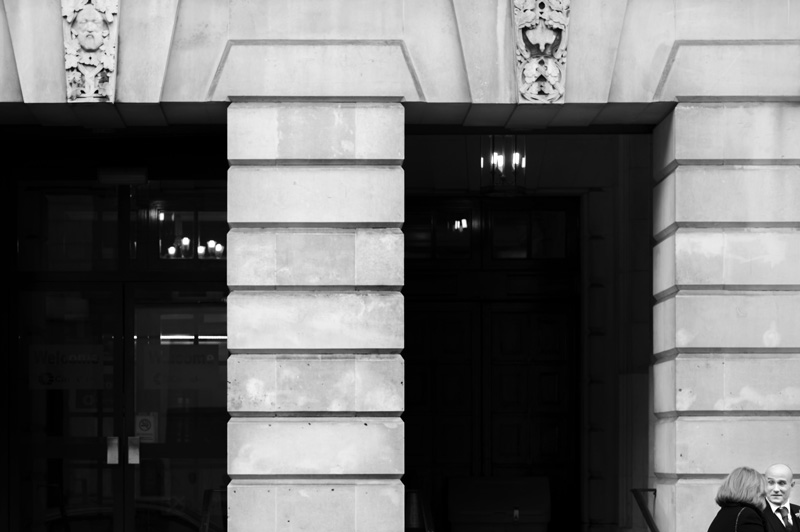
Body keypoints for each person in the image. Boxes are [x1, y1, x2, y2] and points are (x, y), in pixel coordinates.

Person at [708, 466, 768, 532]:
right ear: (754, 490)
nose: (764, 496)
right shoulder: (747, 515)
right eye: (761, 492)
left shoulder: (723, 514)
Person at [762, 463, 799, 532]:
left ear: (792, 485)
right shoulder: (755, 513)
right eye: (770, 482)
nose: (776, 489)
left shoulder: (798, 510)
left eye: (781, 483)